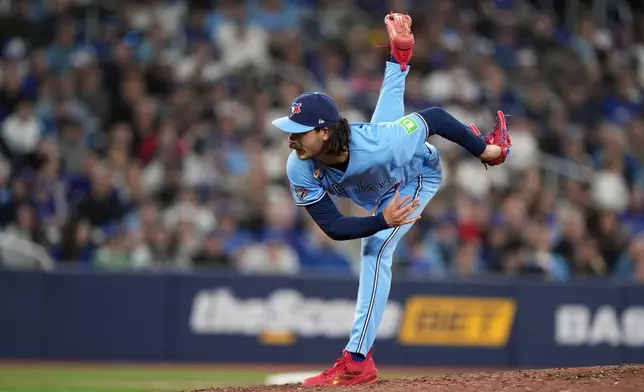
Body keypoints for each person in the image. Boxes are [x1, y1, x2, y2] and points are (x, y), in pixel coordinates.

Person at [272, 12, 511, 387]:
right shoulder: (299, 165)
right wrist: (381, 219)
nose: (291, 138)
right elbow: (333, 227)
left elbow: (433, 117)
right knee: (385, 130)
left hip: (415, 174)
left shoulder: (382, 148)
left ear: (322, 132)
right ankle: (398, 59)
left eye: (299, 132)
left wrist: (486, 151)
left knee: (375, 249)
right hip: (378, 183)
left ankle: (357, 362)